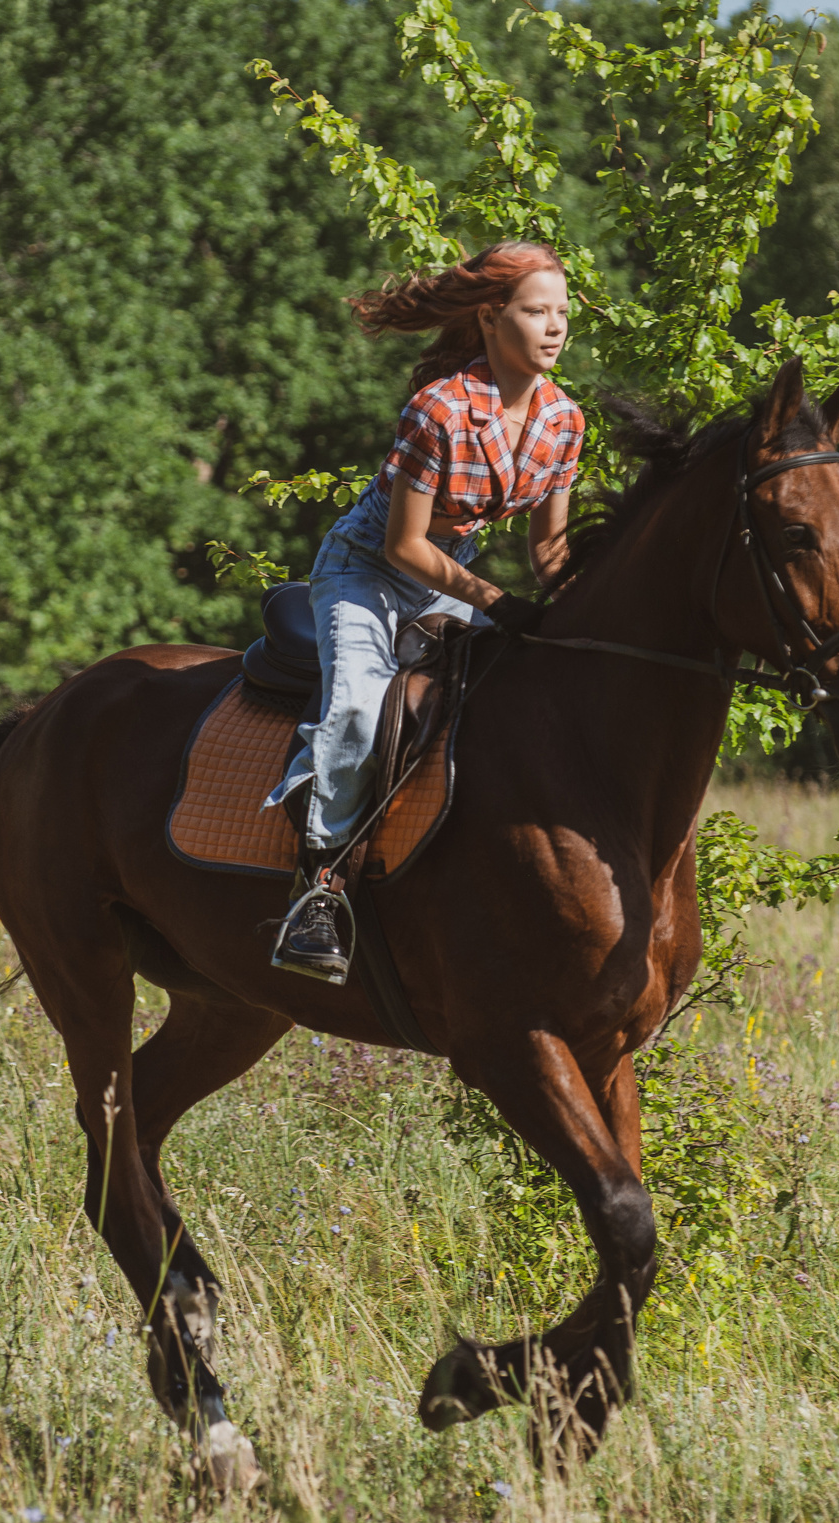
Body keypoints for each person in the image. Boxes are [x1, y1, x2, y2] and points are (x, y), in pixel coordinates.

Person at [267, 242, 584, 983]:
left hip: (456, 577)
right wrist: (496, 603)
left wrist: (578, 617)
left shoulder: (564, 420)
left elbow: (551, 552)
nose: (555, 327)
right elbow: (405, 545)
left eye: (563, 313)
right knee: (356, 711)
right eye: (536, 311)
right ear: (490, 316)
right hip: (366, 573)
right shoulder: (439, 408)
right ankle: (317, 892)